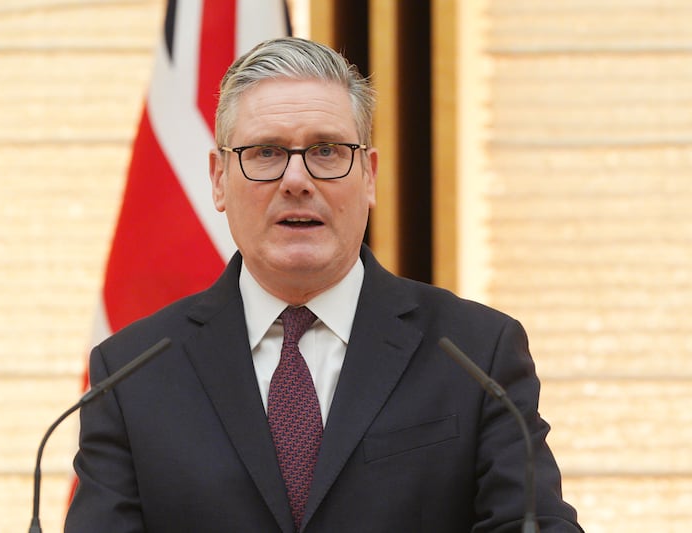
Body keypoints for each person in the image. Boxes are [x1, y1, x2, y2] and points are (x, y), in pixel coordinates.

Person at [65, 36, 582, 532]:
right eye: (266, 153)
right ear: (219, 179)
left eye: (327, 151)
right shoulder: (131, 374)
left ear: (370, 176)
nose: (296, 180)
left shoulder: (475, 353)